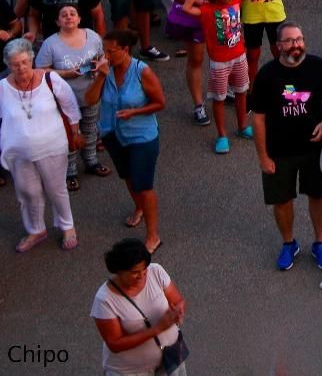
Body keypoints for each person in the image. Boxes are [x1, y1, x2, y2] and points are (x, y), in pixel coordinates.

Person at [249, 22, 322, 273]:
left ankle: (320, 243)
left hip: (313, 148)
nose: (296, 45)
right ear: (278, 46)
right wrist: (263, 156)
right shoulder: (267, 75)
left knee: (317, 195)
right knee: (282, 200)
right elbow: (258, 118)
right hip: (279, 151)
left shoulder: (318, 66)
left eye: (299, 39)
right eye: (289, 41)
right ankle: (289, 243)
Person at [85, 30, 164, 253]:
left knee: (144, 184)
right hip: (113, 134)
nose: (106, 55)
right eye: (104, 51)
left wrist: (135, 112)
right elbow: (90, 100)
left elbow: (160, 103)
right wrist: (100, 76)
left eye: (111, 51)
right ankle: (138, 207)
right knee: (127, 176)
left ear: (125, 49)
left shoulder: (142, 72)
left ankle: (152, 235)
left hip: (142, 136)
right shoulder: (104, 70)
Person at [1, 37, 80, 252]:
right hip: (17, 152)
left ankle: (67, 226)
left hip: (52, 147)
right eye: (15, 64)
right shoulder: (2, 88)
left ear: (32, 59)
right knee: (27, 192)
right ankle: (36, 229)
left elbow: (71, 107)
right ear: (8, 64)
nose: (21, 67)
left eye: (25, 62)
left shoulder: (50, 79)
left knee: (56, 188)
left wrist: (75, 132)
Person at [91, 238, 188, 376]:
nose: (141, 276)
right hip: (130, 372)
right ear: (118, 271)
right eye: (135, 272)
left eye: (144, 270)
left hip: (170, 360)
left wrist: (178, 311)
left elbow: (178, 300)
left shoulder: (156, 271)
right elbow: (115, 344)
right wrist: (158, 328)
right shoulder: (104, 300)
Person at [178, 0, 251, 153]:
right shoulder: (207, 10)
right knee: (219, 98)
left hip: (240, 56)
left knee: (242, 92)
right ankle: (222, 135)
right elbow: (187, 7)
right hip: (220, 63)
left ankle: (243, 126)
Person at [36, 5, 107, 189]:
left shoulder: (92, 36)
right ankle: (70, 171)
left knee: (90, 129)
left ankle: (91, 161)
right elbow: (40, 70)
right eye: (64, 15)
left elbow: (103, 56)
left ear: (79, 18)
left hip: (90, 93)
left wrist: (98, 65)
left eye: (72, 13)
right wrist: (67, 73)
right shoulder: (50, 44)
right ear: (58, 22)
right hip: (63, 100)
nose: (69, 17)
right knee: (69, 134)